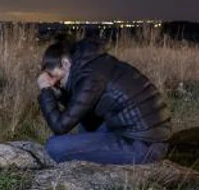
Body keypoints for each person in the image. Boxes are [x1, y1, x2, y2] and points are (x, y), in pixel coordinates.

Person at [37, 32, 171, 164]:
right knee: (85, 122)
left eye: (53, 76)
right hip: (145, 134)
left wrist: (45, 90)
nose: (53, 82)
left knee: (54, 147)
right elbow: (78, 109)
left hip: (144, 145)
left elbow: (60, 126)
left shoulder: (91, 77)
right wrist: (58, 93)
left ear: (65, 63)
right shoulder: (92, 64)